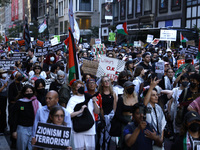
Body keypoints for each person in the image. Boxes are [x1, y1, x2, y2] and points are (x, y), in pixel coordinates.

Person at [66, 80, 100, 150]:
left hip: (90, 129)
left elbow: (97, 111)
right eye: (78, 87)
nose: (80, 88)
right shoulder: (72, 99)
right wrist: (80, 111)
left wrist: (94, 101)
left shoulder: (88, 97)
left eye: (82, 86)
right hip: (78, 129)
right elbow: (69, 114)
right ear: (75, 89)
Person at [12, 84, 41, 150]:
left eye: (31, 91)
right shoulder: (19, 103)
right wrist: (14, 130)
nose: (29, 93)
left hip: (33, 129)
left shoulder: (36, 102)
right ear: (24, 92)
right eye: (27, 91)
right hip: (22, 129)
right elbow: (15, 117)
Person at [143, 78, 166, 149]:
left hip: (159, 141)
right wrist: (151, 87)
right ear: (148, 96)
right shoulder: (147, 108)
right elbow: (144, 105)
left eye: (157, 95)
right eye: (153, 95)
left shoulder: (158, 107)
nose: (156, 97)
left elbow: (162, 125)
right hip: (147, 140)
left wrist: (160, 139)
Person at [115, 81, 138, 148]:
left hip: (135, 121)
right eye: (129, 87)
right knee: (124, 140)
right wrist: (127, 122)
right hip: (125, 122)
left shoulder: (137, 98)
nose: (131, 88)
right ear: (125, 88)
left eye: (132, 87)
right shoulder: (121, 99)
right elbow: (117, 114)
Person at [98, 76, 118, 149]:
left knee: (109, 138)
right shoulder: (99, 94)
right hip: (102, 118)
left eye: (108, 81)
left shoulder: (113, 93)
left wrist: (112, 116)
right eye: (105, 81)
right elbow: (100, 107)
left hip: (110, 118)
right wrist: (103, 118)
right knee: (101, 136)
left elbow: (114, 106)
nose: (107, 82)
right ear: (102, 84)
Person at [0, 69, 8, 135]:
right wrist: (4, 86)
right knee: (1, 112)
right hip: (1, 98)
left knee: (4, 112)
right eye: (3, 73)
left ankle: (4, 126)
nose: (4, 74)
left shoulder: (7, 79)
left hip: (5, 98)